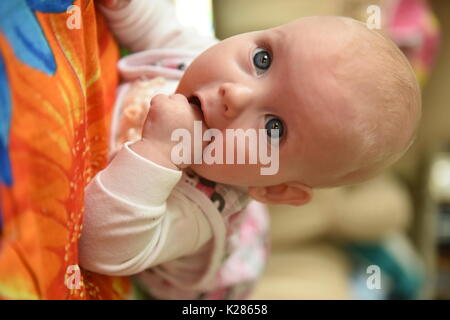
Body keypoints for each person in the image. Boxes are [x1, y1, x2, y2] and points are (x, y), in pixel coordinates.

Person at [79, 12, 422, 299]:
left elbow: (101, 245)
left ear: (276, 191)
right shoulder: (203, 59)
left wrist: (157, 151)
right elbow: (154, 24)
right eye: (263, 59)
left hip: (222, 284)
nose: (237, 95)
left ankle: (371, 259)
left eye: (274, 128)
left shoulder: (196, 210)